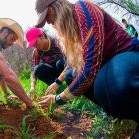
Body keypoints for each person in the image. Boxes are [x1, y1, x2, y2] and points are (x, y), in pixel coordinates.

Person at [35, 0, 139, 138]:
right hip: (107, 66)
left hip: (127, 56)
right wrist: (58, 82)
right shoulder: (72, 27)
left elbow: (91, 66)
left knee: (107, 84)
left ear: (57, 6)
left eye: (48, 15)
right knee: (72, 75)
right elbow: (73, 62)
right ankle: (116, 111)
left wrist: (58, 98)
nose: (48, 22)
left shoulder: (82, 8)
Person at [25, 27, 65, 96]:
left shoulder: (57, 43)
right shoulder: (36, 52)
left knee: (59, 63)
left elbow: (71, 63)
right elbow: (33, 72)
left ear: (42, 36)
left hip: (65, 69)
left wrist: (58, 82)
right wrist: (32, 87)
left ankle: (70, 83)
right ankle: (56, 87)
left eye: (35, 42)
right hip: (53, 72)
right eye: (33, 44)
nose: (35, 46)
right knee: (37, 69)